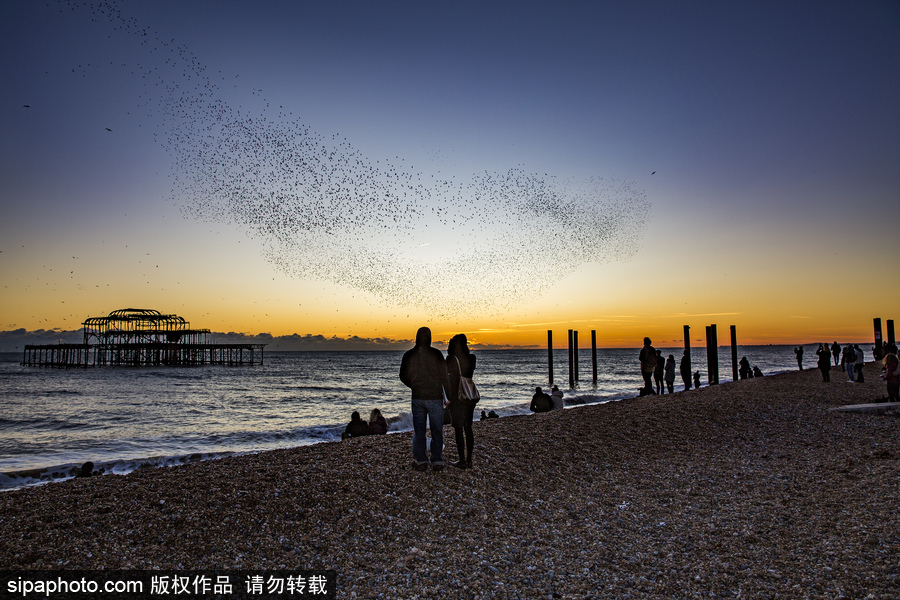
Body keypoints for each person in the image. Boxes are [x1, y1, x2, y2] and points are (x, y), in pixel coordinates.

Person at [400, 326, 450, 472]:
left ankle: (421, 460)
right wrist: (448, 395)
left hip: (418, 397)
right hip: (434, 397)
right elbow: (444, 376)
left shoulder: (409, 355)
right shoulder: (436, 354)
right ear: (430, 337)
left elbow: (402, 376)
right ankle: (437, 460)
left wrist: (413, 385)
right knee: (436, 430)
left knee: (419, 430)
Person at [446, 333, 477, 469]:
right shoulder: (472, 358)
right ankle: (469, 459)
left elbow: (448, 377)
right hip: (468, 396)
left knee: (458, 430)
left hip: (456, 397)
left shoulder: (451, 359)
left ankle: (462, 460)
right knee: (468, 428)